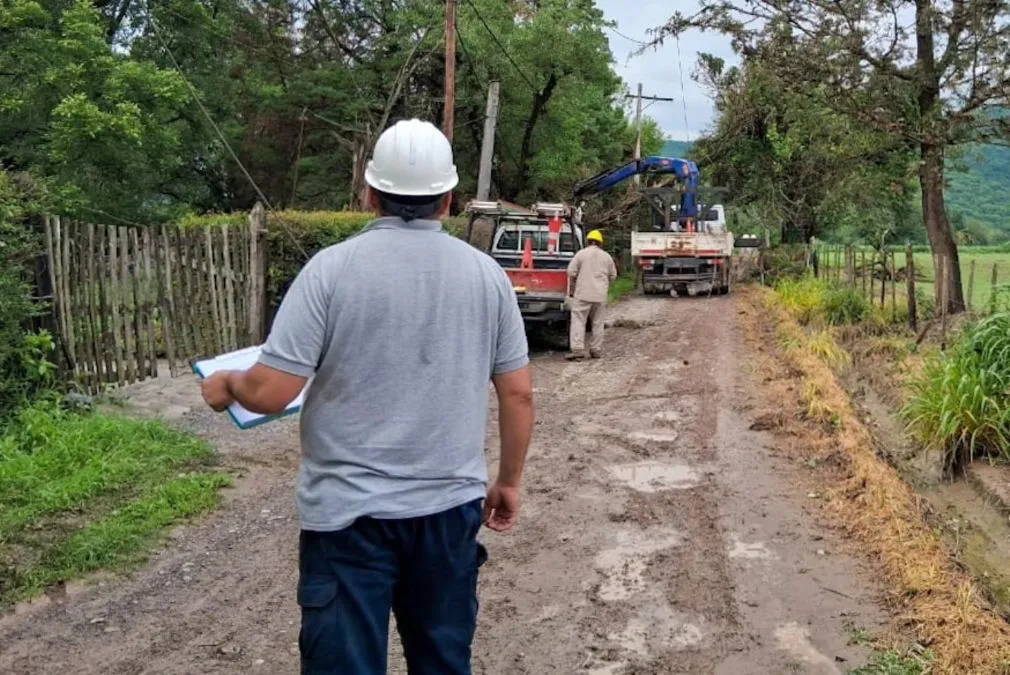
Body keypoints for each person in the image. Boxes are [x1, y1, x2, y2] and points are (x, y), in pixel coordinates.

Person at [200, 118, 535, 675]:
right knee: (443, 661)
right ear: (448, 199)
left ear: (370, 193)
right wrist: (509, 481)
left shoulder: (329, 270)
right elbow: (518, 394)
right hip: (449, 511)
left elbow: (272, 391)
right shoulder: (488, 277)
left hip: (347, 518)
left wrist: (229, 384)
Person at [566, 229, 617, 360]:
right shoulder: (607, 257)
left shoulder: (581, 254)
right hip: (600, 295)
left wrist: (575, 282)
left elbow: (571, 272)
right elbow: (613, 275)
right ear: (600, 243)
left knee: (578, 321)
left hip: (582, 294)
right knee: (598, 323)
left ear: (588, 241)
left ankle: (578, 350)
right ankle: (596, 350)